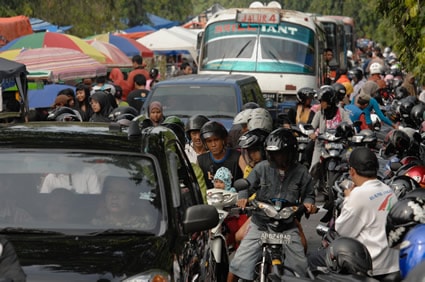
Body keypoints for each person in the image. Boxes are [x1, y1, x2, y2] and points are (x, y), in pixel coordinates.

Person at [227, 128, 317, 281]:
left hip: (287, 226)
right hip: (260, 223)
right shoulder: (261, 168)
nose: (277, 157)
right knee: (238, 264)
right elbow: (247, 186)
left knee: (300, 268)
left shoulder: (301, 172)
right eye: (274, 154)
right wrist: (243, 197)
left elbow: (309, 194)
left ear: (291, 153)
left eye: (280, 154)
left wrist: (309, 203)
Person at [308, 147, 401, 281]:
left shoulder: (358, 195)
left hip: (372, 263)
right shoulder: (388, 190)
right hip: (392, 263)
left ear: (352, 171)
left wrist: (348, 198)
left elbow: (342, 231)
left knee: (313, 260)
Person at [309, 85, 352, 174]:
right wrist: (311, 133)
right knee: (313, 171)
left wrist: (349, 130)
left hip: (339, 145)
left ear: (330, 101)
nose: (321, 104)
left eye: (322, 101)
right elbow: (312, 127)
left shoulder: (341, 112)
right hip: (322, 146)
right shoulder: (319, 113)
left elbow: (349, 124)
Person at [197, 121, 243, 189]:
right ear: (205, 143)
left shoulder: (238, 157)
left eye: (216, 140)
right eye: (209, 141)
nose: (213, 145)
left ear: (223, 140)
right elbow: (196, 183)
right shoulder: (201, 160)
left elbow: (247, 177)